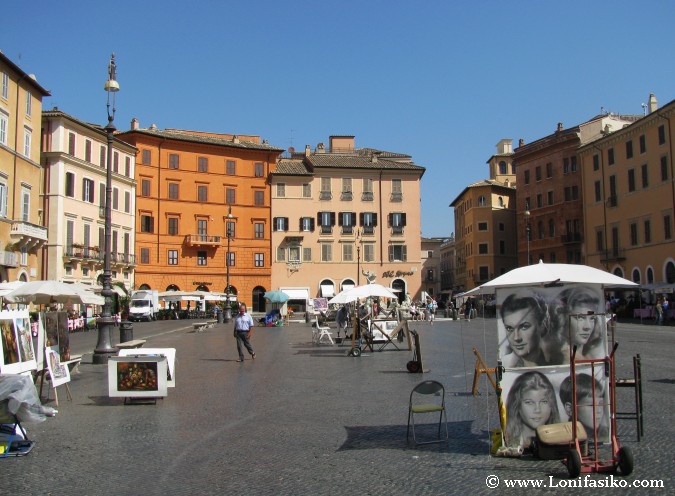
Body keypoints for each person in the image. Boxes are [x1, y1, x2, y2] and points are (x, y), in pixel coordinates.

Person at [505, 371, 560, 450]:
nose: (537, 410)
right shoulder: (507, 439)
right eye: (529, 402)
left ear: (552, 404)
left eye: (544, 402)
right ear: (516, 405)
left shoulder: (562, 440)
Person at [500, 290, 551, 367]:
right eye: (509, 328)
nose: (516, 338)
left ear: (542, 325)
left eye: (524, 327)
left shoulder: (558, 361)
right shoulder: (504, 365)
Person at [557, 287, 605, 361]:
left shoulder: (591, 354)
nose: (587, 327)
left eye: (592, 318)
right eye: (580, 318)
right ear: (564, 317)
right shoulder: (561, 358)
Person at [559, 373, 608, 441]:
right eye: (591, 405)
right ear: (570, 409)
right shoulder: (559, 437)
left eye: (601, 404)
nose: (599, 410)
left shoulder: (606, 433)